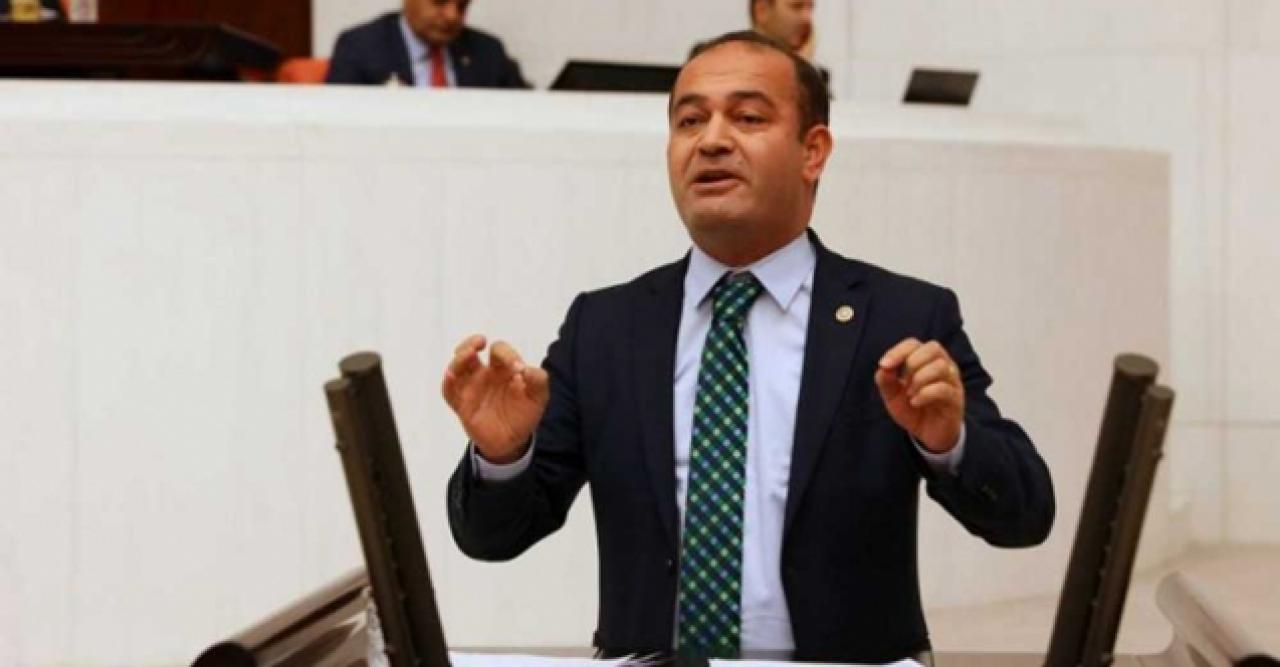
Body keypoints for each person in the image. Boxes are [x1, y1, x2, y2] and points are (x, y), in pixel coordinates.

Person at [442, 30, 1054, 664]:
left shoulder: (900, 318)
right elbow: (493, 538)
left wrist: (948, 442)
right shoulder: (606, 327)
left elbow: (1025, 516)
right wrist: (502, 456)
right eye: (689, 121)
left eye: (748, 118)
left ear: (813, 151)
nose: (711, 140)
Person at [326, 0, 527, 88]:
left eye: (462, 6)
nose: (452, 16)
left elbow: (526, 114)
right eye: (440, 1)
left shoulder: (489, 52)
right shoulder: (359, 47)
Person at [750, 0, 815, 60]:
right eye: (797, 6)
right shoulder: (745, 66)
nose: (807, 18)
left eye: (810, 8)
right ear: (762, 10)